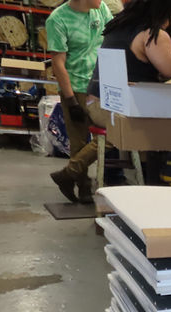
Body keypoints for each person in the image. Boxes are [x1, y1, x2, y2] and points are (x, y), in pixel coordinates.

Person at [61, 0, 171, 195]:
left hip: (99, 101)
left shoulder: (118, 28)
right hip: (113, 107)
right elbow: (169, 68)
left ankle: (149, 177)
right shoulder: (152, 33)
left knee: (152, 122)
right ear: (169, 14)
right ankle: (159, 180)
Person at [46, 0, 113, 203]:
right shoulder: (58, 19)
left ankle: (67, 175)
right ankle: (83, 188)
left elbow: (113, 37)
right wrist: (71, 100)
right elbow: (58, 63)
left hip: (101, 86)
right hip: (76, 87)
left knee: (113, 135)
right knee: (79, 141)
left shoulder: (101, 9)